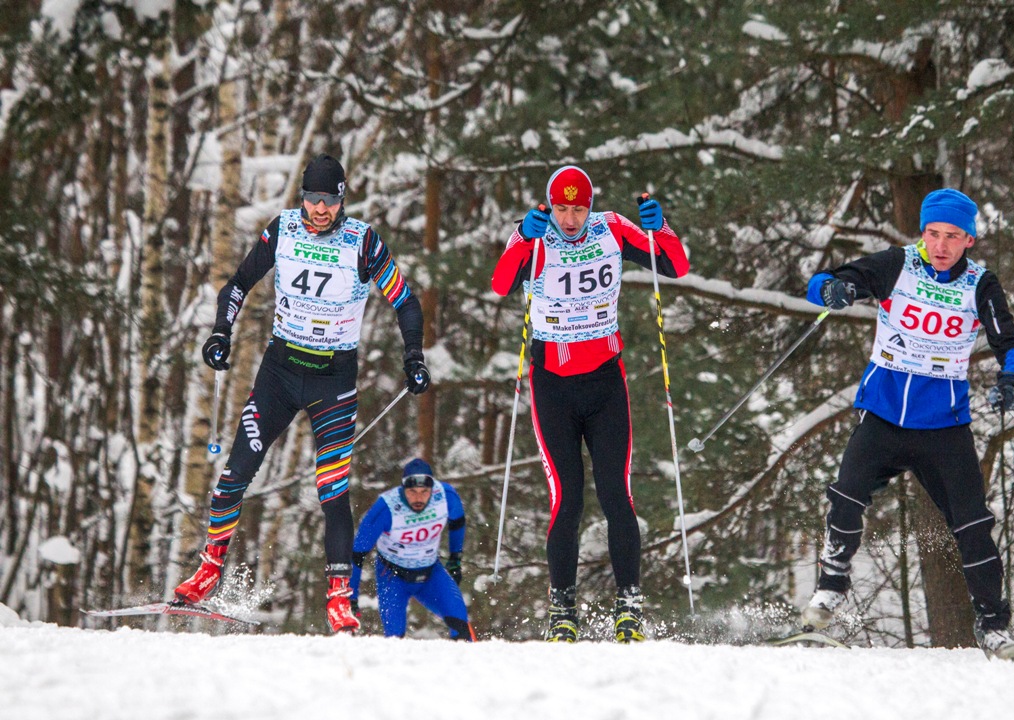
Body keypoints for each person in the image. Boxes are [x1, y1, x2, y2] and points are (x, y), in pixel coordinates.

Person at [174, 154, 431, 634]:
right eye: (312, 199)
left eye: (329, 201)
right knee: (235, 473)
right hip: (279, 372)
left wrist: (413, 355)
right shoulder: (283, 230)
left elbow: (405, 301)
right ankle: (209, 569)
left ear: (341, 199)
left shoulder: (363, 242)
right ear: (302, 199)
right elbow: (237, 284)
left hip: (333, 382)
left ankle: (339, 596)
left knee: (332, 491)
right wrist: (219, 333)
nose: (320, 209)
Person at [802, 188, 1014, 660]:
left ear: (969, 240)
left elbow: (1012, 341)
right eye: (932, 233)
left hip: (943, 425)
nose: (940, 245)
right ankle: (831, 588)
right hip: (883, 414)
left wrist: (1012, 379)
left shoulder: (980, 284)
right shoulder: (897, 264)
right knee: (846, 493)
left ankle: (993, 625)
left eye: (952, 237)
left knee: (973, 524)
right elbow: (824, 281)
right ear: (922, 233)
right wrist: (832, 289)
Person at [491, 166, 690, 643]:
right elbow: (501, 285)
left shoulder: (613, 228)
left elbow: (676, 265)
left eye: (579, 207)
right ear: (550, 205)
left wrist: (659, 227)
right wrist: (521, 236)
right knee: (568, 500)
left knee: (616, 495)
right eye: (562, 207)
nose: (571, 217)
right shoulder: (538, 238)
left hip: (604, 384)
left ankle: (629, 608)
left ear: (591, 205)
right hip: (553, 387)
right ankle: (562, 612)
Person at [349, 458, 473, 640]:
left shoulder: (445, 496)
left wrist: (455, 559)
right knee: (394, 638)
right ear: (402, 489)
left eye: (424, 492)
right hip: (392, 577)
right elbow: (358, 553)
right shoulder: (386, 508)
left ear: (433, 488)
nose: (418, 498)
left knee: (460, 623)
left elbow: (458, 523)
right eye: (412, 492)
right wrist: (351, 597)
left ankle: (466, 666)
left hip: (431, 574)